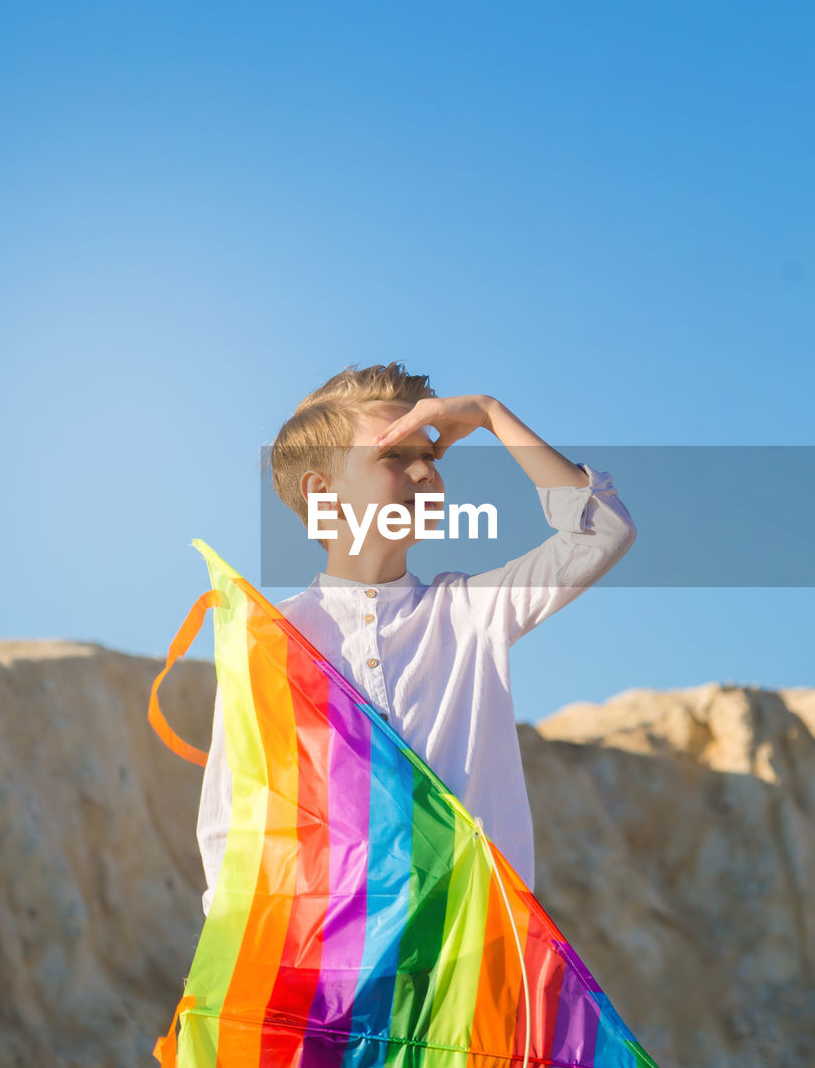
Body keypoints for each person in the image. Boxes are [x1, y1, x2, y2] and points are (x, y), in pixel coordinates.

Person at [196, 360, 636, 916]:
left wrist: (490, 415)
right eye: (395, 455)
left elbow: (604, 531)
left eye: (430, 455)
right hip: (337, 972)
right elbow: (230, 828)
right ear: (323, 494)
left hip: (474, 961)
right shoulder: (270, 638)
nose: (427, 472)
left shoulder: (472, 612)